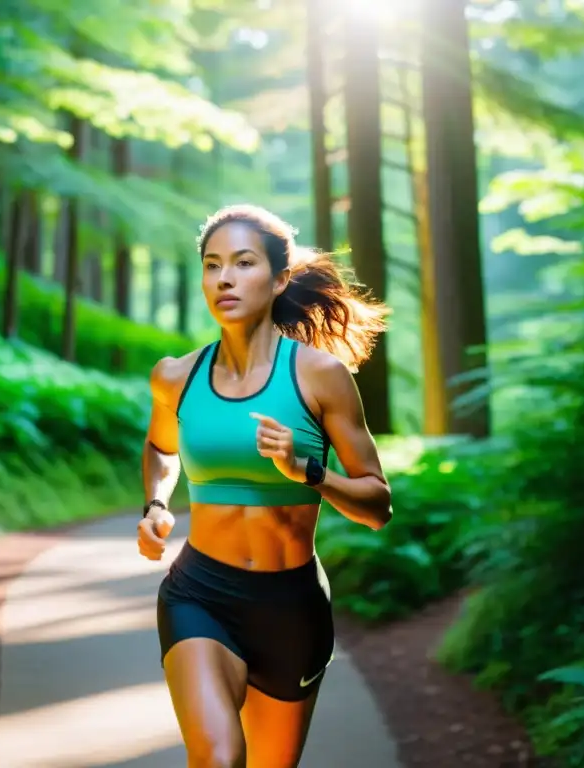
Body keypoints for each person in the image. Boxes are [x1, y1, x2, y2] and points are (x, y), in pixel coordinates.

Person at [136, 203, 394, 768]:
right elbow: (161, 448)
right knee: (220, 758)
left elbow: (377, 503)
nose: (224, 277)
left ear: (279, 279)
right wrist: (157, 502)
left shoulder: (320, 376)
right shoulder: (175, 376)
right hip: (199, 595)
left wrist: (309, 472)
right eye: (212, 264)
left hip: (291, 608)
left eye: (243, 263)